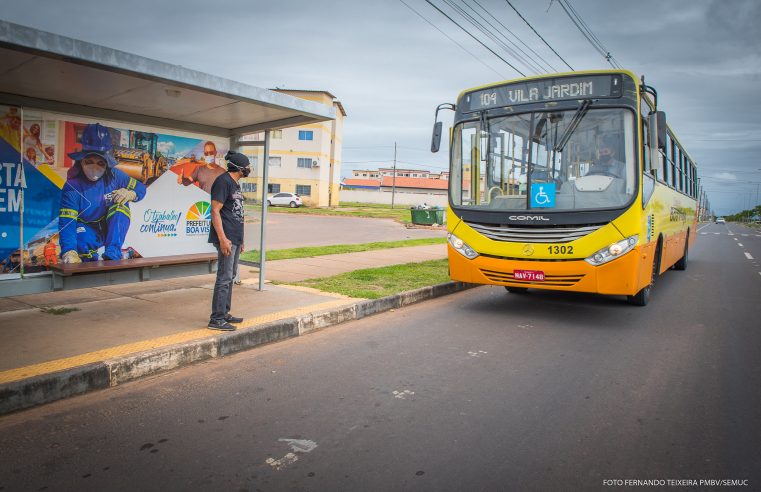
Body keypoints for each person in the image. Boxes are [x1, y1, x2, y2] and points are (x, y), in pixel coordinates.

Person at [59, 123, 146, 263]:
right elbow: (67, 222)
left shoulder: (115, 176)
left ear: (107, 162)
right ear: (81, 161)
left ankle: (113, 251)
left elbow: (141, 189)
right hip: (87, 227)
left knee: (120, 206)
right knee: (82, 242)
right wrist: (68, 250)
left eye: (100, 163)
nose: (95, 166)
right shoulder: (72, 187)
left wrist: (131, 194)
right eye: (89, 161)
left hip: (109, 226)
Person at [208, 151, 250, 331]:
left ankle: (224, 313)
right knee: (224, 277)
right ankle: (216, 319)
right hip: (226, 238)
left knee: (230, 276)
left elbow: (237, 213)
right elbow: (215, 211)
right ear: (240, 168)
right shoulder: (223, 182)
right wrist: (223, 238)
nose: (249, 169)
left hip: (234, 238)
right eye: (247, 166)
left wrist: (240, 240)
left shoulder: (235, 184)